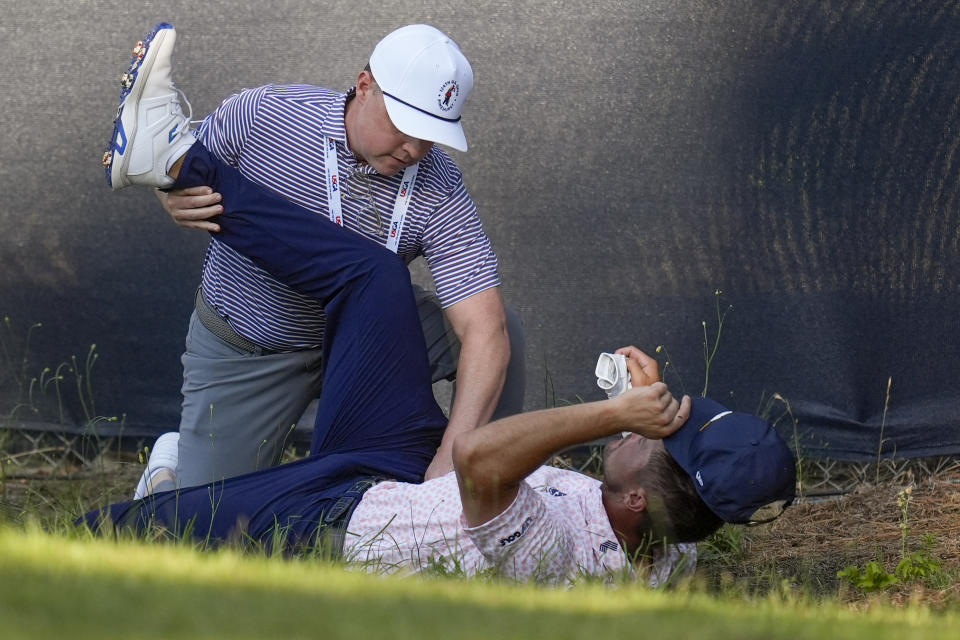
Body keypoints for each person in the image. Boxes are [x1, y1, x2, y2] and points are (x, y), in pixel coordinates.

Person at [86, 112, 797, 585]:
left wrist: (615, 418)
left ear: (639, 496)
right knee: (376, 276)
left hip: (339, 519)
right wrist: (633, 408)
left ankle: (163, 495)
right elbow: (683, 489)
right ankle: (181, 162)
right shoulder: (675, 531)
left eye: (667, 435)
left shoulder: (564, 561)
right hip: (398, 469)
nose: (663, 418)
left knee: (117, 541)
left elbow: (477, 459)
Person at [101, 22, 524, 492]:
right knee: (211, 524)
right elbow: (170, 167)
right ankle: (170, 469)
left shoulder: (438, 186)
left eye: (432, 134)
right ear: (365, 87)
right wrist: (170, 194)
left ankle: (487, 489)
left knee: (498, 333)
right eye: (406, 125)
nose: (415, 149)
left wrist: (453, 459)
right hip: (251, 344)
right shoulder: (266, 114)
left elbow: (485, 331)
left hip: (364, 339)